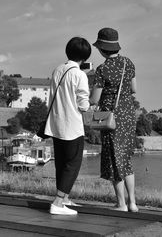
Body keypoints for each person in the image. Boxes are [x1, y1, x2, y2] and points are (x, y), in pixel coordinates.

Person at [90, 27, 138, 212]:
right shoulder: (129, 63)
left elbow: (94, 99)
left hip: (111, 116)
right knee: (125, 157)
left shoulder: (103, 69)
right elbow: (134, 89)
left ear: (101, 49)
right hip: (128, 114)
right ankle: (133, 202)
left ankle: (121, 204)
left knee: (113, 158)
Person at [44, 37, 91, 215]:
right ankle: (57, 203)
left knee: (61, 163)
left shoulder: (57, 70)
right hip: (72, 125)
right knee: (73, 163)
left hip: (56, 123)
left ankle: (64, 199)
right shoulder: (80, 75)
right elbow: (83, 105)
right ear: (85, 57)